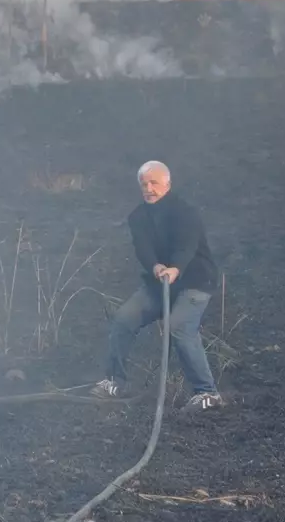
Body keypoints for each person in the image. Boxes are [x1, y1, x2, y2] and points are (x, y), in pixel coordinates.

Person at [92, 160, 225, 412]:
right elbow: (143, 248)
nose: (149, 188)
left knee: (179, 327)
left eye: (154, 183)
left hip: (195, 281)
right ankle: (114, 381)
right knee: (124, 318)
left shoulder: (185, 212)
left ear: (167, 184)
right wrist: (155, 267)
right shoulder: (138, 217)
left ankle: (207, 393)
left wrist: (175, 268)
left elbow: (188, 245)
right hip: (159, 283)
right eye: (144, 184)